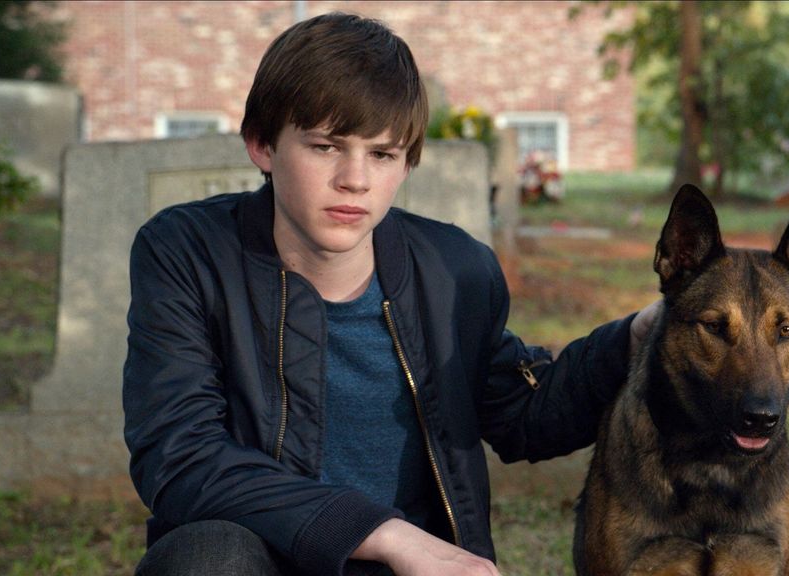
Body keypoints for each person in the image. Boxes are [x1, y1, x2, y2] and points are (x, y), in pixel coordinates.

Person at [123, 12, 659, 576]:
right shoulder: (187, 253)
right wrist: (382, 532)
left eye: (382, 154)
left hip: (413, 569)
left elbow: (521, 413)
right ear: (262, 145)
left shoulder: (456, 270)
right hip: (264, 558)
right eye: (326, 147)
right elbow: (180, 457)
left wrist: (635, 339)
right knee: (206, 560)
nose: (355, 179)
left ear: (405, 164)